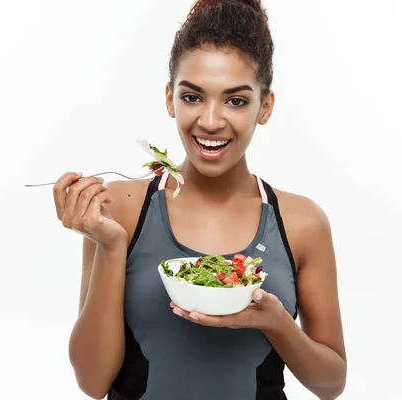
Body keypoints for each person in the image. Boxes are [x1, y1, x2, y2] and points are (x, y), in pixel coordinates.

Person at [52, 1, 347, 399]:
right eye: (193, 97)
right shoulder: (118, 208)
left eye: (236, 100)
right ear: (170, 98)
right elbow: (92, 382)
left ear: (266, 107)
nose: (210, 121)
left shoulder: (301, 222)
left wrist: (277, 322)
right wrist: (110, 244)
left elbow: (331, 384)